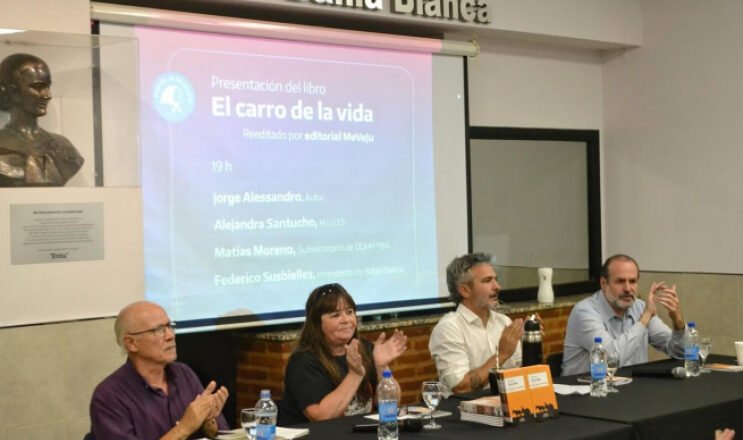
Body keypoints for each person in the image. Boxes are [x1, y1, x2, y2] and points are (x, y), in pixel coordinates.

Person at [89, 301, 229, 440]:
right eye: (158, 330)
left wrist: (208, 420)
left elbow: (222, 434)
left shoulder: (183, 373)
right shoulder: (109, 396)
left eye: (169, 326)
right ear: (131, 343)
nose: (170, 336)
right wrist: (183, 429)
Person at [281, 283, 407, 425]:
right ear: (316, 324)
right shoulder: (303, 361)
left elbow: (391, 405)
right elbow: (321, 417)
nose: (346, 320)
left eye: (349, 312)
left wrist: (381, 367)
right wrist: (355, 374)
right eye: (335, 315)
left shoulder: (364, 348)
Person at [561, 254, 686, 376]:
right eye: (620, 281)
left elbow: (679, 353)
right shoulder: (584, 312)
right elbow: (611, 359)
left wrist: (678, 322)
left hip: (631, 390)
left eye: (632, 281)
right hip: (589, 391)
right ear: (604, 284)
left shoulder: (640, 307)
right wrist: (645, 317)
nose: (627, 288)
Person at [429, 253, 534, 397]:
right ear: (465, 290)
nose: (497, 287)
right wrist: (502, 354)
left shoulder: (504, 321)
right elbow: (461, 387)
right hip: (464, 412)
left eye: (496, 280)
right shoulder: (449, 328)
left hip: (506, 404)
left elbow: (523, 375)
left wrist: (531, 340)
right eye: (487, 281)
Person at [0, 53, 84, 186]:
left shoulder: (63, 145)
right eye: (38, 87)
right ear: (12, 91)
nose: (48, 95)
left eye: (48, 87)